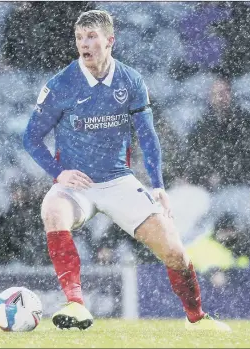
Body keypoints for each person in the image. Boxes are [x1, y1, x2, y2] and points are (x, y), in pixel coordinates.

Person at [22, 10, 230, 332]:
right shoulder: (62, 84)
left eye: (91, 37)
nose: (84, 44)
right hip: (77, 182)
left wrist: (158, 186)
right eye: (79, 38)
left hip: (119, 180)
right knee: (52, 209)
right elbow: (31, 137)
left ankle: (196, 319)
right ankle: (75, 303)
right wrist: (58, 172)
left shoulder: (130, 80)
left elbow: (147, 136)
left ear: (110, 41)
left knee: (175, 251)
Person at [186, 76, 250, 191]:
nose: (221, 97)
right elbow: (196, 154)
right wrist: (207, 175)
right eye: (216, 94)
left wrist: (221, 175)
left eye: (224, 92)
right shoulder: (203, 124)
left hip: (239, 182)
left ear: (231, 95)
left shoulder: (246, 121)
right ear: (210, 97)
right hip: (208, 183)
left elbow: (246, 156)